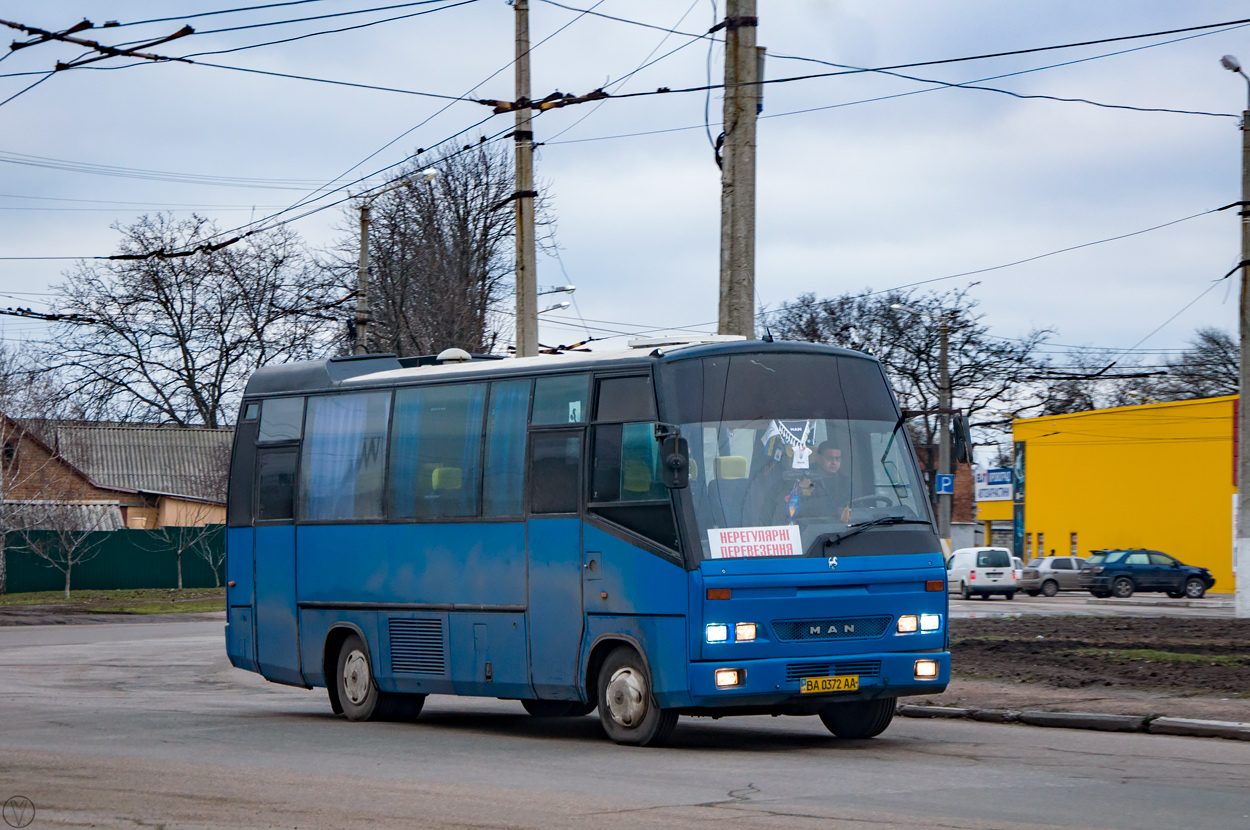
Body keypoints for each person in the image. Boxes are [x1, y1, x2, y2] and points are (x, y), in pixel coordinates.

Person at [773, 441, 851, 524]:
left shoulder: (845, 483)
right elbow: (784, 508)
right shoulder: (802, 477)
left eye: (837, 459)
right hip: (807, 529)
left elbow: (853, 507)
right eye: (829, 458)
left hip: (838, 529)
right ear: (818, 457)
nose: (834, 462)